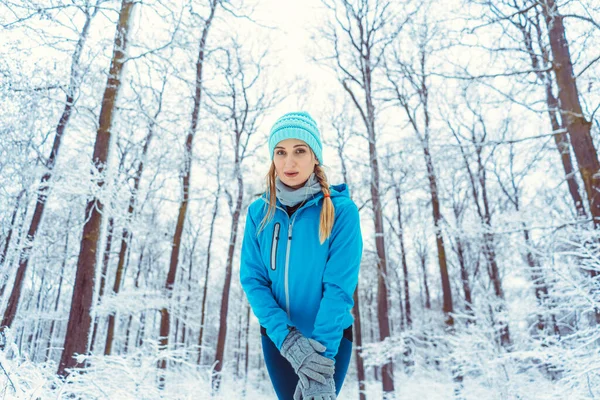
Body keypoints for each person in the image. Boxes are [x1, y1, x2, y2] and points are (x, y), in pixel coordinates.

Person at [239, 111, 363, 399]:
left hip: (330, 340)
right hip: (279, 339)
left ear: (315, 156)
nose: (289, 162)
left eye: (299, 150)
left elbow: (338, 289)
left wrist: (318, 359)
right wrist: (287, 339)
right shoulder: (259, 213)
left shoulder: (342, 212)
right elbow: (253, 280)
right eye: (280, 152)